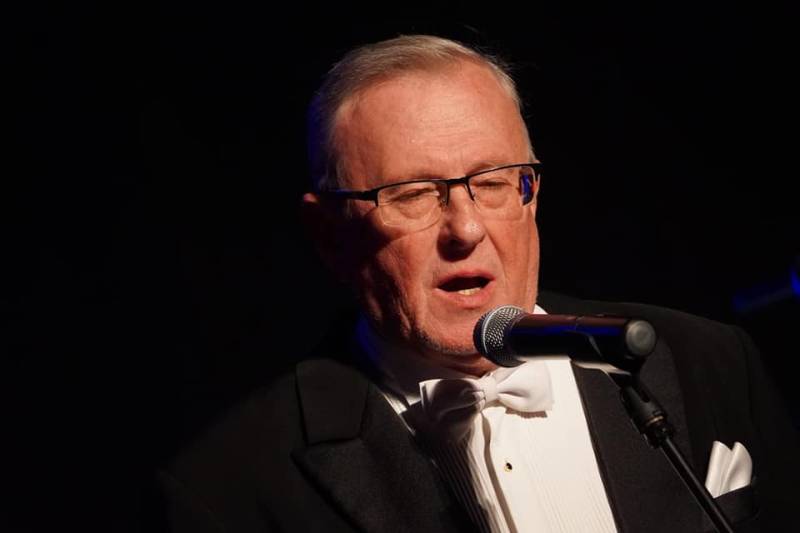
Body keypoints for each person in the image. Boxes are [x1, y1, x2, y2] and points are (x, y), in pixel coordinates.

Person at [158, 35, 799, 532]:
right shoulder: (228, 489)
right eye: (412, 194)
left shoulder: (707, 361)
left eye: (493, 183)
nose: (465, 229)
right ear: (329, 233)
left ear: (532, 194)